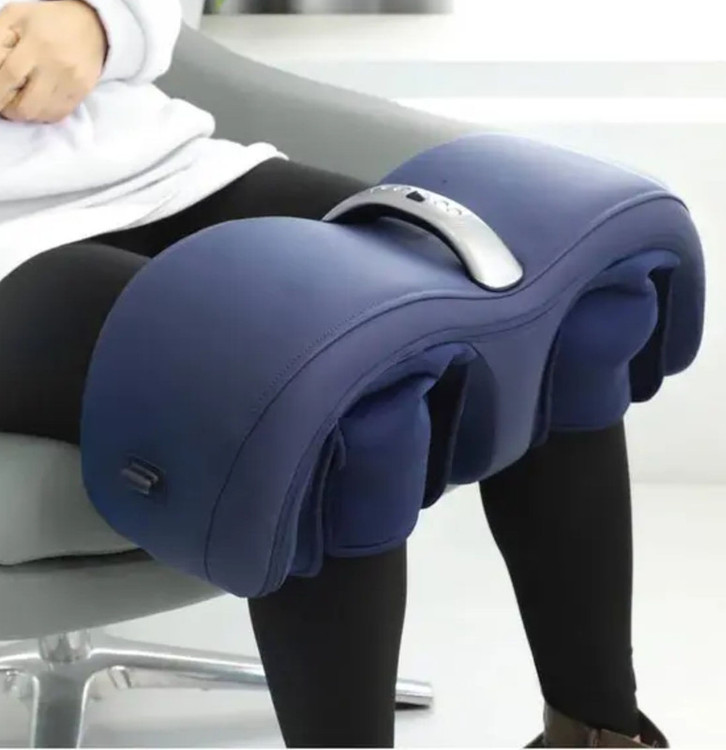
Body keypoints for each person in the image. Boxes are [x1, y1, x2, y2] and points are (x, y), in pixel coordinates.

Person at [0, 2, 667, 747]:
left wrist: (96, 20)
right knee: (316, 389)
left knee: (539, 298)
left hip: (160, 167)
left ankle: (600, 732)